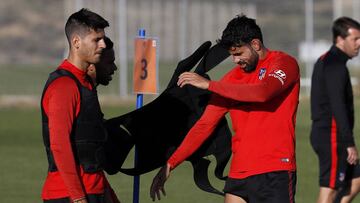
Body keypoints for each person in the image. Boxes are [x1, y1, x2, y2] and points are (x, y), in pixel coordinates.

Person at [150, 15, 300, 203]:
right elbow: (204, 126)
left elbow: (263, 93)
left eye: (238, 54)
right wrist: (171, 164)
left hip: (274, 171)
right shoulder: (230, 80)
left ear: (255, 44)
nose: (235, 60)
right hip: (238, 174)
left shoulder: (284, 64)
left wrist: (209, 85)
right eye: (232, 55)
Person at [40, 9, 119, 203]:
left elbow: (90, 150)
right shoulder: (64, 86)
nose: (102, 45)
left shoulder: (85, 83)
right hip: (68, 195)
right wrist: (78, 197)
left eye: (103, 39)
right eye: (96, 40)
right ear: (76, 42)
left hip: (94, 190)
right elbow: (60, 145)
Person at [310, 17, 360, 203]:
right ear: (340, 39)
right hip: (331, 135)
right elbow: (337, 104)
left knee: (356, 178)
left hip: (329, 134)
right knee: (329, 189)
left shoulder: (327, 60)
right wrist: (349, 142)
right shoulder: (335, 65)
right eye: (355, 39)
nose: (359, 44)